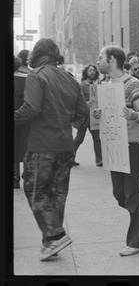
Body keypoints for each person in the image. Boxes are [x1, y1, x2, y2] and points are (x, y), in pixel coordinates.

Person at [14, 38, 89, 260]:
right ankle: (50, 244)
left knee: (36, 192)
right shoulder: (70, 78)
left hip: (41, 145)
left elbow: (30, 109)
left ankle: (55, 235)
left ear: (36, 54)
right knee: (57, 196)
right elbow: (82, 113)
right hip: (65, 145)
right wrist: (63, 119)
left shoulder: (36, 76)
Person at [94, 45, 139, 256]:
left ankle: (137, 242)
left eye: (100, 58)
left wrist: (134, 116)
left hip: (131, 147)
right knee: (120, 195)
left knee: (131, 194)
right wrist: (101, 114)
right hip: (114, 148)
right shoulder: (106, 85)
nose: (97, 61)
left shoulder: (132, 84)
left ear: (111, 59)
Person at [72, 64, 102, 167]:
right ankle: (70, 158)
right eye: (90, 70)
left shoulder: (95, 85)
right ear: (86, 72)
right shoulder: (80, 85)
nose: (92, 72)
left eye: (94, 70)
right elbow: (76, 100)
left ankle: (99, 160)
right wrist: (85, 104)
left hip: (93, 117)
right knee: (79, 138)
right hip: (83, 117)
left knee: (97, 138)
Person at [14, 56, 30, 189]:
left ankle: (14, 178)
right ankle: (27, 175)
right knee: (25, 146)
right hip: (24, 118)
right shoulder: (26, 79)